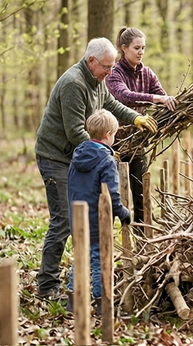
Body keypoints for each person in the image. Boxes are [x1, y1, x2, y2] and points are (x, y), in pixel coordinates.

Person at [34, 37, 159, 300]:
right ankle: (47, 286)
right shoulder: (73, 84)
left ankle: (73, 279)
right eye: (106, 67)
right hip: (55, 156)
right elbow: (76, 131)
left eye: (113, 67)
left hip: (74, 156)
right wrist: (104, 153)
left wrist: (135, 117)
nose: (110, 72)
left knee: (78, 218)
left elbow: (111, 105)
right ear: (91, 61)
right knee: (65, 219)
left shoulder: (97, 81)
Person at [105, 26, 177, 224]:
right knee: (113, 195)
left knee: (141, 196)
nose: (141, 52)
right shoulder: (113, 73)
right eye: (137, 48)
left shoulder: (148, 73)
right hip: (114, 144)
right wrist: (155, 99)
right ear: (124, 48)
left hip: (138, 143)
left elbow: (163, 98)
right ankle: (108, 244)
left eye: (143, 48)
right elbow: (124, 96)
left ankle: (143, 243)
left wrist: (171, 105)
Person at [64, 109, 132, 312]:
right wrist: (123, 213)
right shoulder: (106, 161)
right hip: (96, 221)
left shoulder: (76, 157)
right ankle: (102, 301)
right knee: (98, 259)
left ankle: (73, 299)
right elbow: (111, 194)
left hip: (76, 219)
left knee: (80, 257)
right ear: (108, 135)